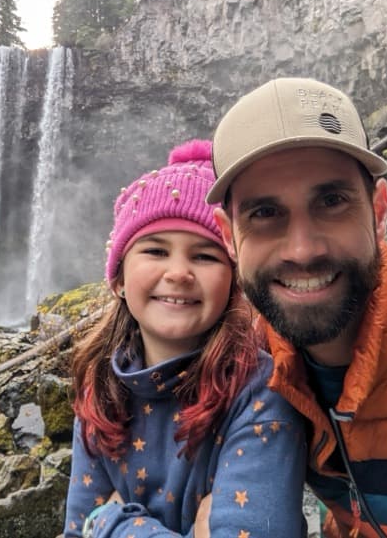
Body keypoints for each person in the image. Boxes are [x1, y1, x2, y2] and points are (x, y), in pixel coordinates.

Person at [206, 77, 387, 537]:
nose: (302, 250)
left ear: (379, 208)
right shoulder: (246, 366)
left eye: (331, 201)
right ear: (228, 236)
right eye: (265, 213)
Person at [63, 139, 307, 538]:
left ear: (233, 282)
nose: (178, 272)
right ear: (120, 278)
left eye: (205, 256)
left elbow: (88, 525)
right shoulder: (99, 390)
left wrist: (109, 523)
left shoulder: (262, 391)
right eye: (156, 251)